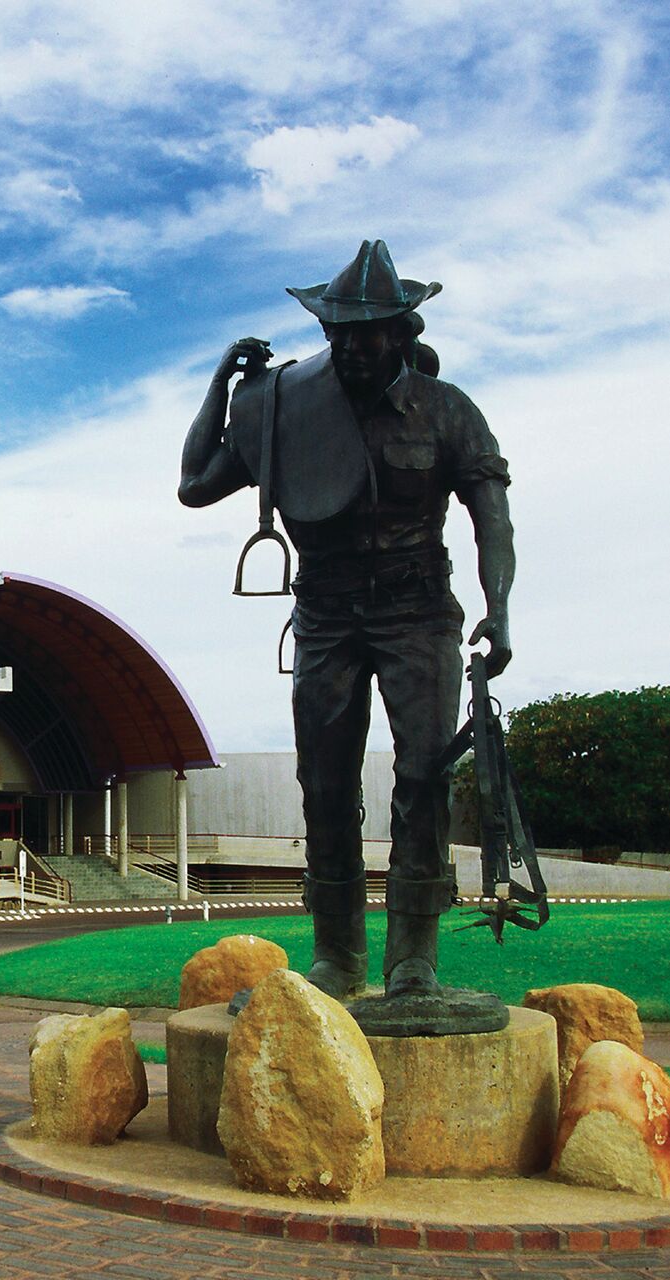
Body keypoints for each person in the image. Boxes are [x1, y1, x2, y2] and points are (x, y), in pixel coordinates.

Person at [179, 240, 514, 1002]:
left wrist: (498, 610)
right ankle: (336, 956)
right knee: (323, 784)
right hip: (326, 614)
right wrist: (221, 386)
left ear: (400, 333)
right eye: (337, 331)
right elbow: (195, 486)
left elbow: (492, 516)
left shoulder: (447, 411)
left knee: (422, 781)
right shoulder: (285, 409)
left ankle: (412, 962)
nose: (349, 346)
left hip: (418, 611)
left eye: (365, 332)